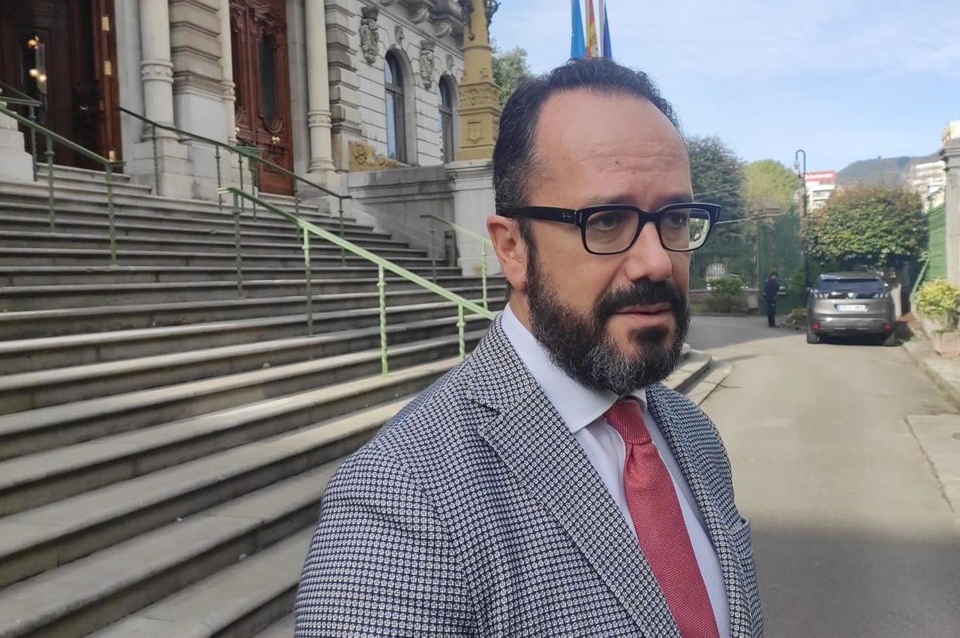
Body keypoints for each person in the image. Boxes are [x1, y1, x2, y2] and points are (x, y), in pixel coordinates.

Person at [294, 59, 762, 637]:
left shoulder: (693, 434)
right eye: (607, 220)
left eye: (676, 218)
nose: (658, 261)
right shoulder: (399, 502)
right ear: (512, 248)